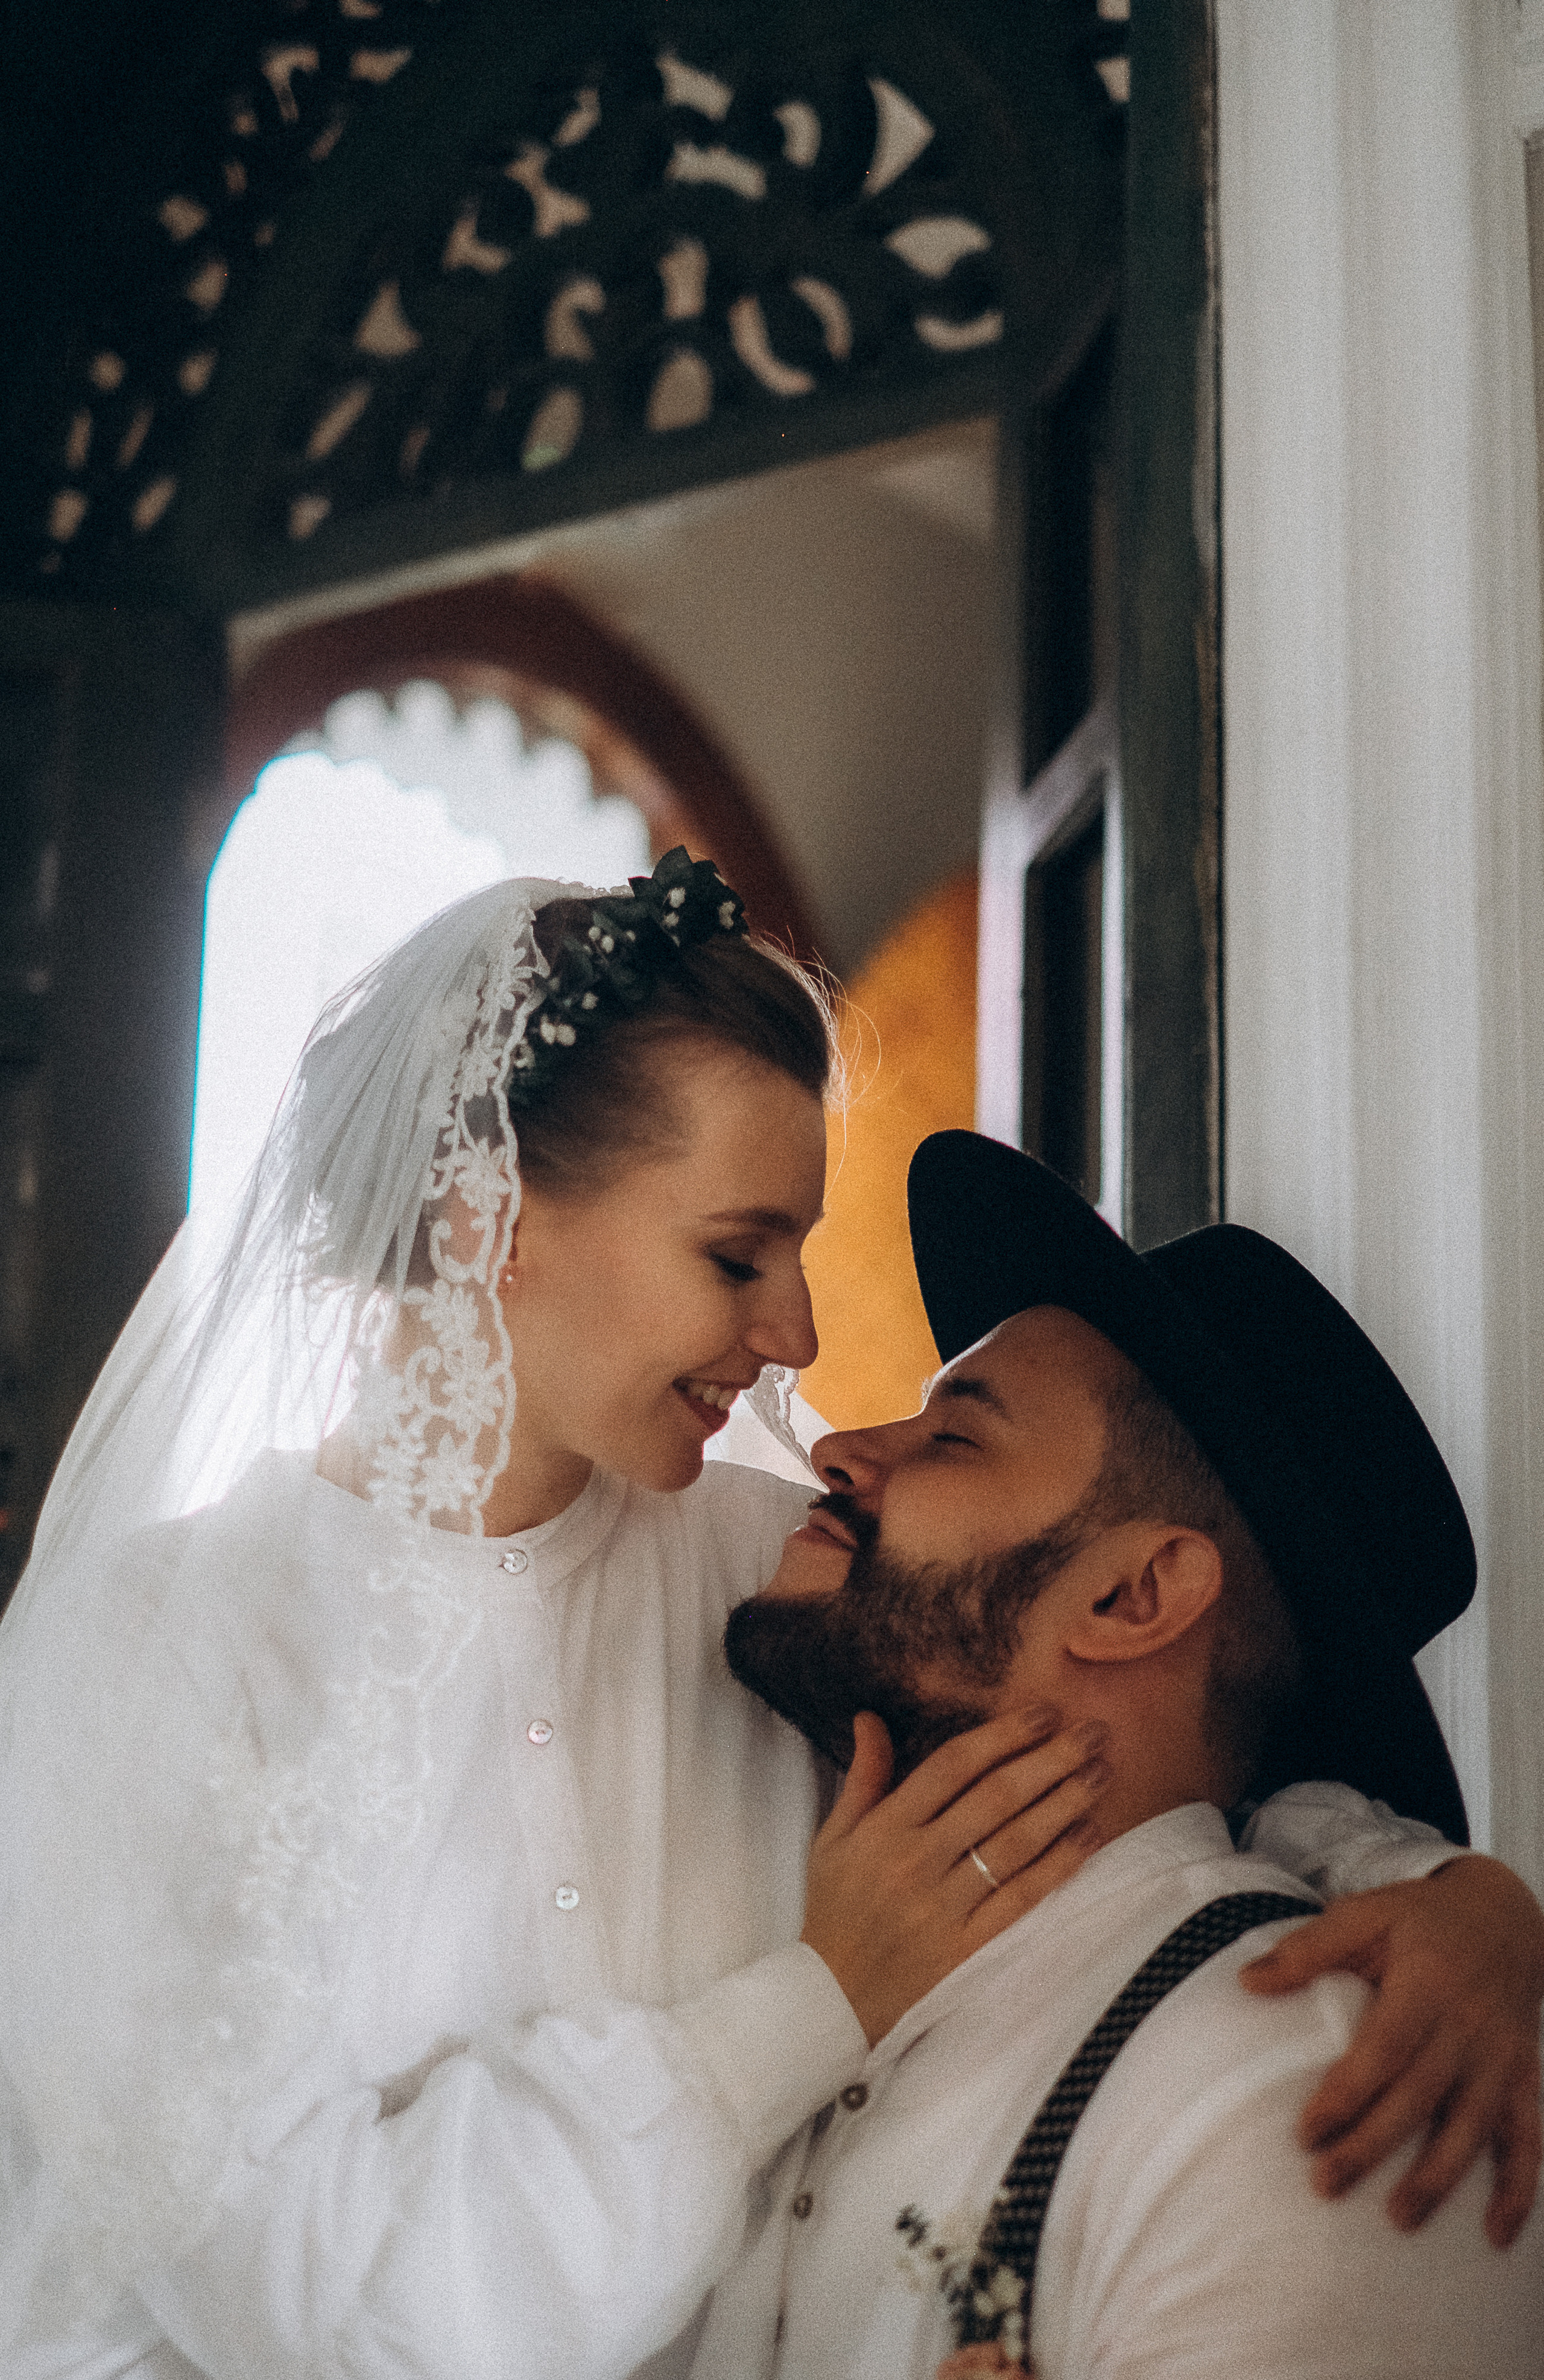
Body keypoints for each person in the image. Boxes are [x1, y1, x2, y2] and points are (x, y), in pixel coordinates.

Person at [0, 865, 1533, 2380]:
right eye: (735, 1254)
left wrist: (1451, 1897)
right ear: (486, 1222)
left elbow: (1119, 1749)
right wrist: (813, 1999)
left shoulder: (760, 1571)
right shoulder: (139, 1670)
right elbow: (324, 2309)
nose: (798, 1335)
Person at [700, 1130, 1544, 2380]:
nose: (840, 1450)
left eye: (954, 1437)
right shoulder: (821, 1905)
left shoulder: (1328, 2093)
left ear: (1133, 1595)